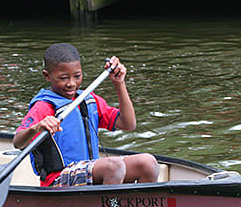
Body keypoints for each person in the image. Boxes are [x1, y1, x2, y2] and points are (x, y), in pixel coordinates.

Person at [13, 43, 159, 187]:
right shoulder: (44, 106)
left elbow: (128, 124)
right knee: (114, 166)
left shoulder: (88, 99)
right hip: (59, 178)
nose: (71, 83)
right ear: (47, 76)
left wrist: (119, 83)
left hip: (90, 170)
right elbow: (18, 142)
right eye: (63, 78)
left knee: (148, 163)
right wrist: (36, 128)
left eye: (77, 76)